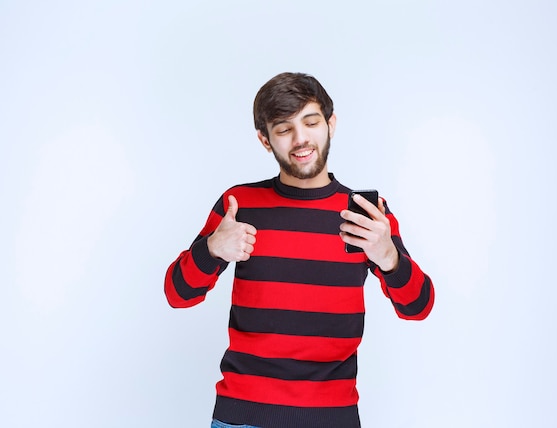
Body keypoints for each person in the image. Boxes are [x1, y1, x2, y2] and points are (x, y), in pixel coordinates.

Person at [164, 72, 435, 428]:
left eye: (311, 122)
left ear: (330, 124)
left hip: (332, 418)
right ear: (265, 140)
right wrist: (212, 249)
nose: (300, 138)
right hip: (243, 417)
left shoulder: (367, 215)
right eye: (283, 129)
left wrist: (388, 257)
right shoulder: (239, 204)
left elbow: (418, 307)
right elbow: (177, 294)